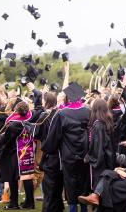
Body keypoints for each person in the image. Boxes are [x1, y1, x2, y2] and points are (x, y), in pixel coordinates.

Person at [42, 82, 91, 212]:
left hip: (68, 155)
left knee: (70, 184)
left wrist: (48, 149)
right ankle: (84, 209)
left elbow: (54, 136)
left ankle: (73, 209)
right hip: (85, 154)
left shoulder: (62, 114)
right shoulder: (88, 111)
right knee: (84, 182)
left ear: (68, 98)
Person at [0, 100, 38, 209]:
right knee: (27, 177)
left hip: (14, 153)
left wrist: (0, 138)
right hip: (28, 151)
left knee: (12, 177)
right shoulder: (32, 118)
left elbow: (7, 140)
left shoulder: (13, 125)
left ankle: (13, 203)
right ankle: (30, 203)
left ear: (17, 112)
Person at [35, 90, 64, 212]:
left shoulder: (44, 116)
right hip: (61, 156)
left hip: (49, 155)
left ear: (46, 101)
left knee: (49, 190)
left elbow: (36, 134)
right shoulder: (61, 113)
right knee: (57, 188)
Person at [85, 98, 116, 189]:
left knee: (100, 188)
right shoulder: (107, 121)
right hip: (108, 159)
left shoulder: (98, 125)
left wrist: (90, 158)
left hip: (100, 163)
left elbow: (98, 148)